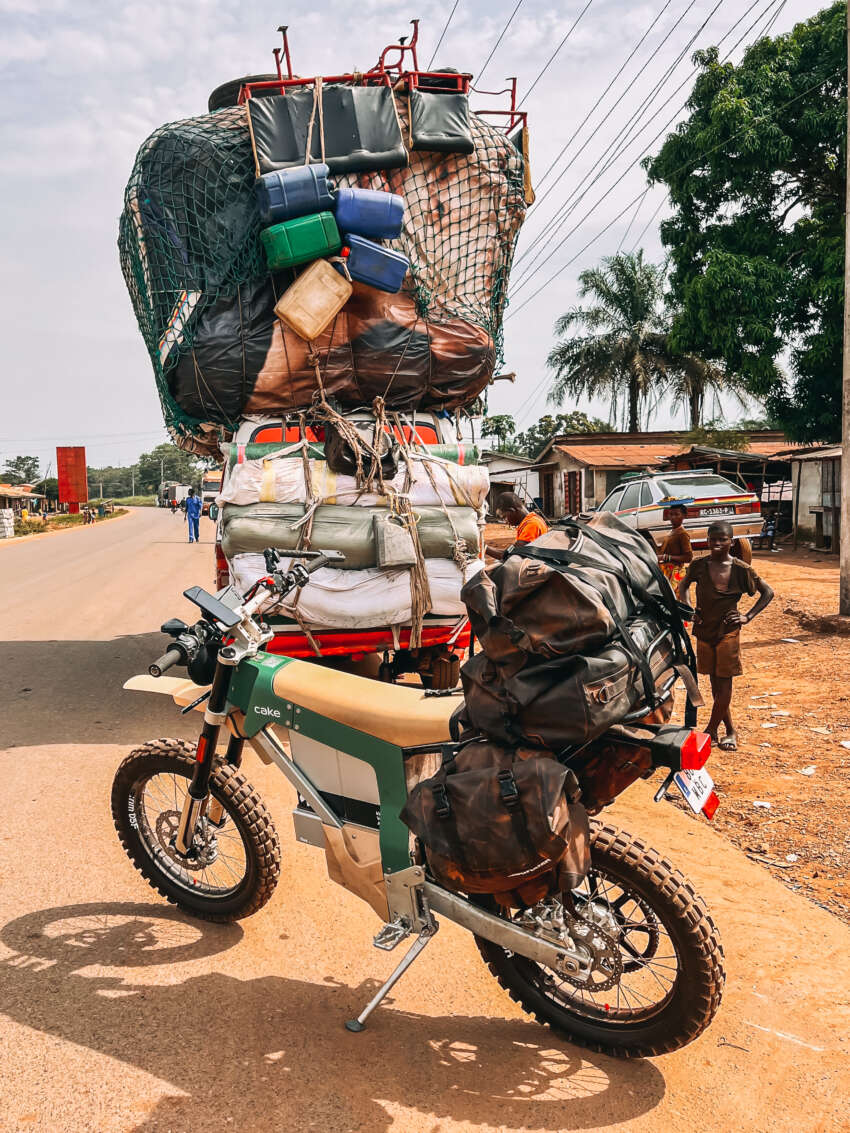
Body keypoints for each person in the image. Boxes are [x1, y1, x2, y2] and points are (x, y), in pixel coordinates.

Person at [677, 520, 774, 752]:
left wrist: (747, 617)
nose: (718, 543)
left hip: (728, 631)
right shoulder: (699, 566)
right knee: (714, 684)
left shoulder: (742, 569)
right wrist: (690, 610)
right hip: (704, 630)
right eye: (713, 539)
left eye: (723, 539)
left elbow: (768, 592)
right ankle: (729, 730)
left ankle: (711, 729)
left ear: (732, 542)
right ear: (707, 540)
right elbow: (683, 586)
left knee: (725, 683)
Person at [485, 491, 548, 560]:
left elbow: (510, 557)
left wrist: (483, 548)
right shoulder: (532, 520)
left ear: (512, 511)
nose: (505, 521)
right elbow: (509, 552)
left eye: (504, 517)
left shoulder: (532, 525)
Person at [657, 502, 692, 590]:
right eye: (671, 514)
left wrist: (667, 557)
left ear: (684, 516)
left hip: (676, 573)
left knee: (676, 599)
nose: (673, 517)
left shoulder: (683, 534)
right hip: (667, 571)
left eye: (677, 514)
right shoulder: (671, 532)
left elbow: (688, 557)